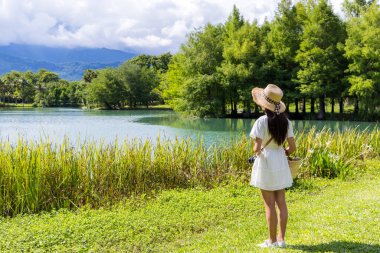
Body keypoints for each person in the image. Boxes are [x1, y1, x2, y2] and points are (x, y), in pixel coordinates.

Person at [249, 84, 296, 248]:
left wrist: (257, 151)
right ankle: (281, 240)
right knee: (281, 202)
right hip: (280, 161)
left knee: (269, 204)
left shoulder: (261, 121)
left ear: (264, 104)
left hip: (267, 161)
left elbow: (256, 148)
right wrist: (285, 153)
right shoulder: (286, 122)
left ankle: (272, 241)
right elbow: (292, 147)